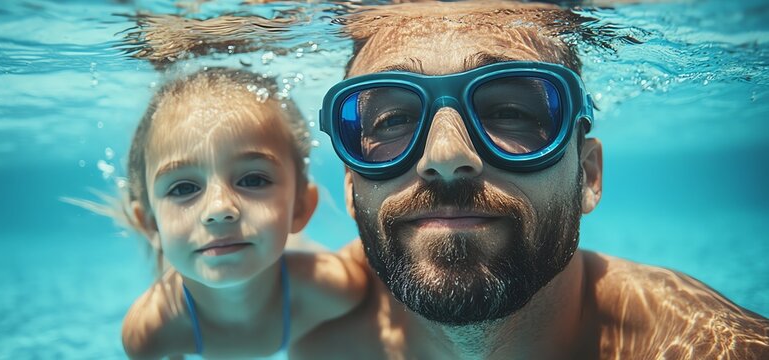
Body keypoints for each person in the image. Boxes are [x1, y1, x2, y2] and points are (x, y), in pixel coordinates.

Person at [291, 2, 769, 359]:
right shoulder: (321, 342)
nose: (446, 155)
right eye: (394, 120)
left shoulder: (714, 348)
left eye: (509, 113)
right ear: (352, 187)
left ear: (588, 175)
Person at [108, 68, 367, 359]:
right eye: (183, 188)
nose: (219, 209)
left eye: (253, 180)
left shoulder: (333, 289)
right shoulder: (151, 330)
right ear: (151, 224)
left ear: (300, 208)